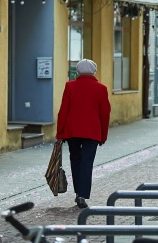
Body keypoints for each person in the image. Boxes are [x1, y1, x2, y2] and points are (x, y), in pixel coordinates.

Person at [56, 59, 111, 209]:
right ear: (94, 71)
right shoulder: (101, 88)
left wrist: (60, 132)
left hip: (72, 131)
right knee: (87, 163)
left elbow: (63, 111)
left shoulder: (70, 86)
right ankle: (82, 195)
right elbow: (105, 114)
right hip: (92, 132)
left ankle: (78, 192)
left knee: (75, 160)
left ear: (78, 71)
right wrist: (103, 135)